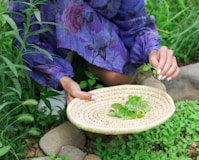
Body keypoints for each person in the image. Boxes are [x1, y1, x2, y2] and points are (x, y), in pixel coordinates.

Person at [7, 0, 180, 104]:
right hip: (47, 19)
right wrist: (61, 79)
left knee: (119, 77)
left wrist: (153, 51)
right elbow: (24, 36)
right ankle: (59, 61)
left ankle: (79, 54)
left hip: (87, 17)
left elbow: (134, 22)